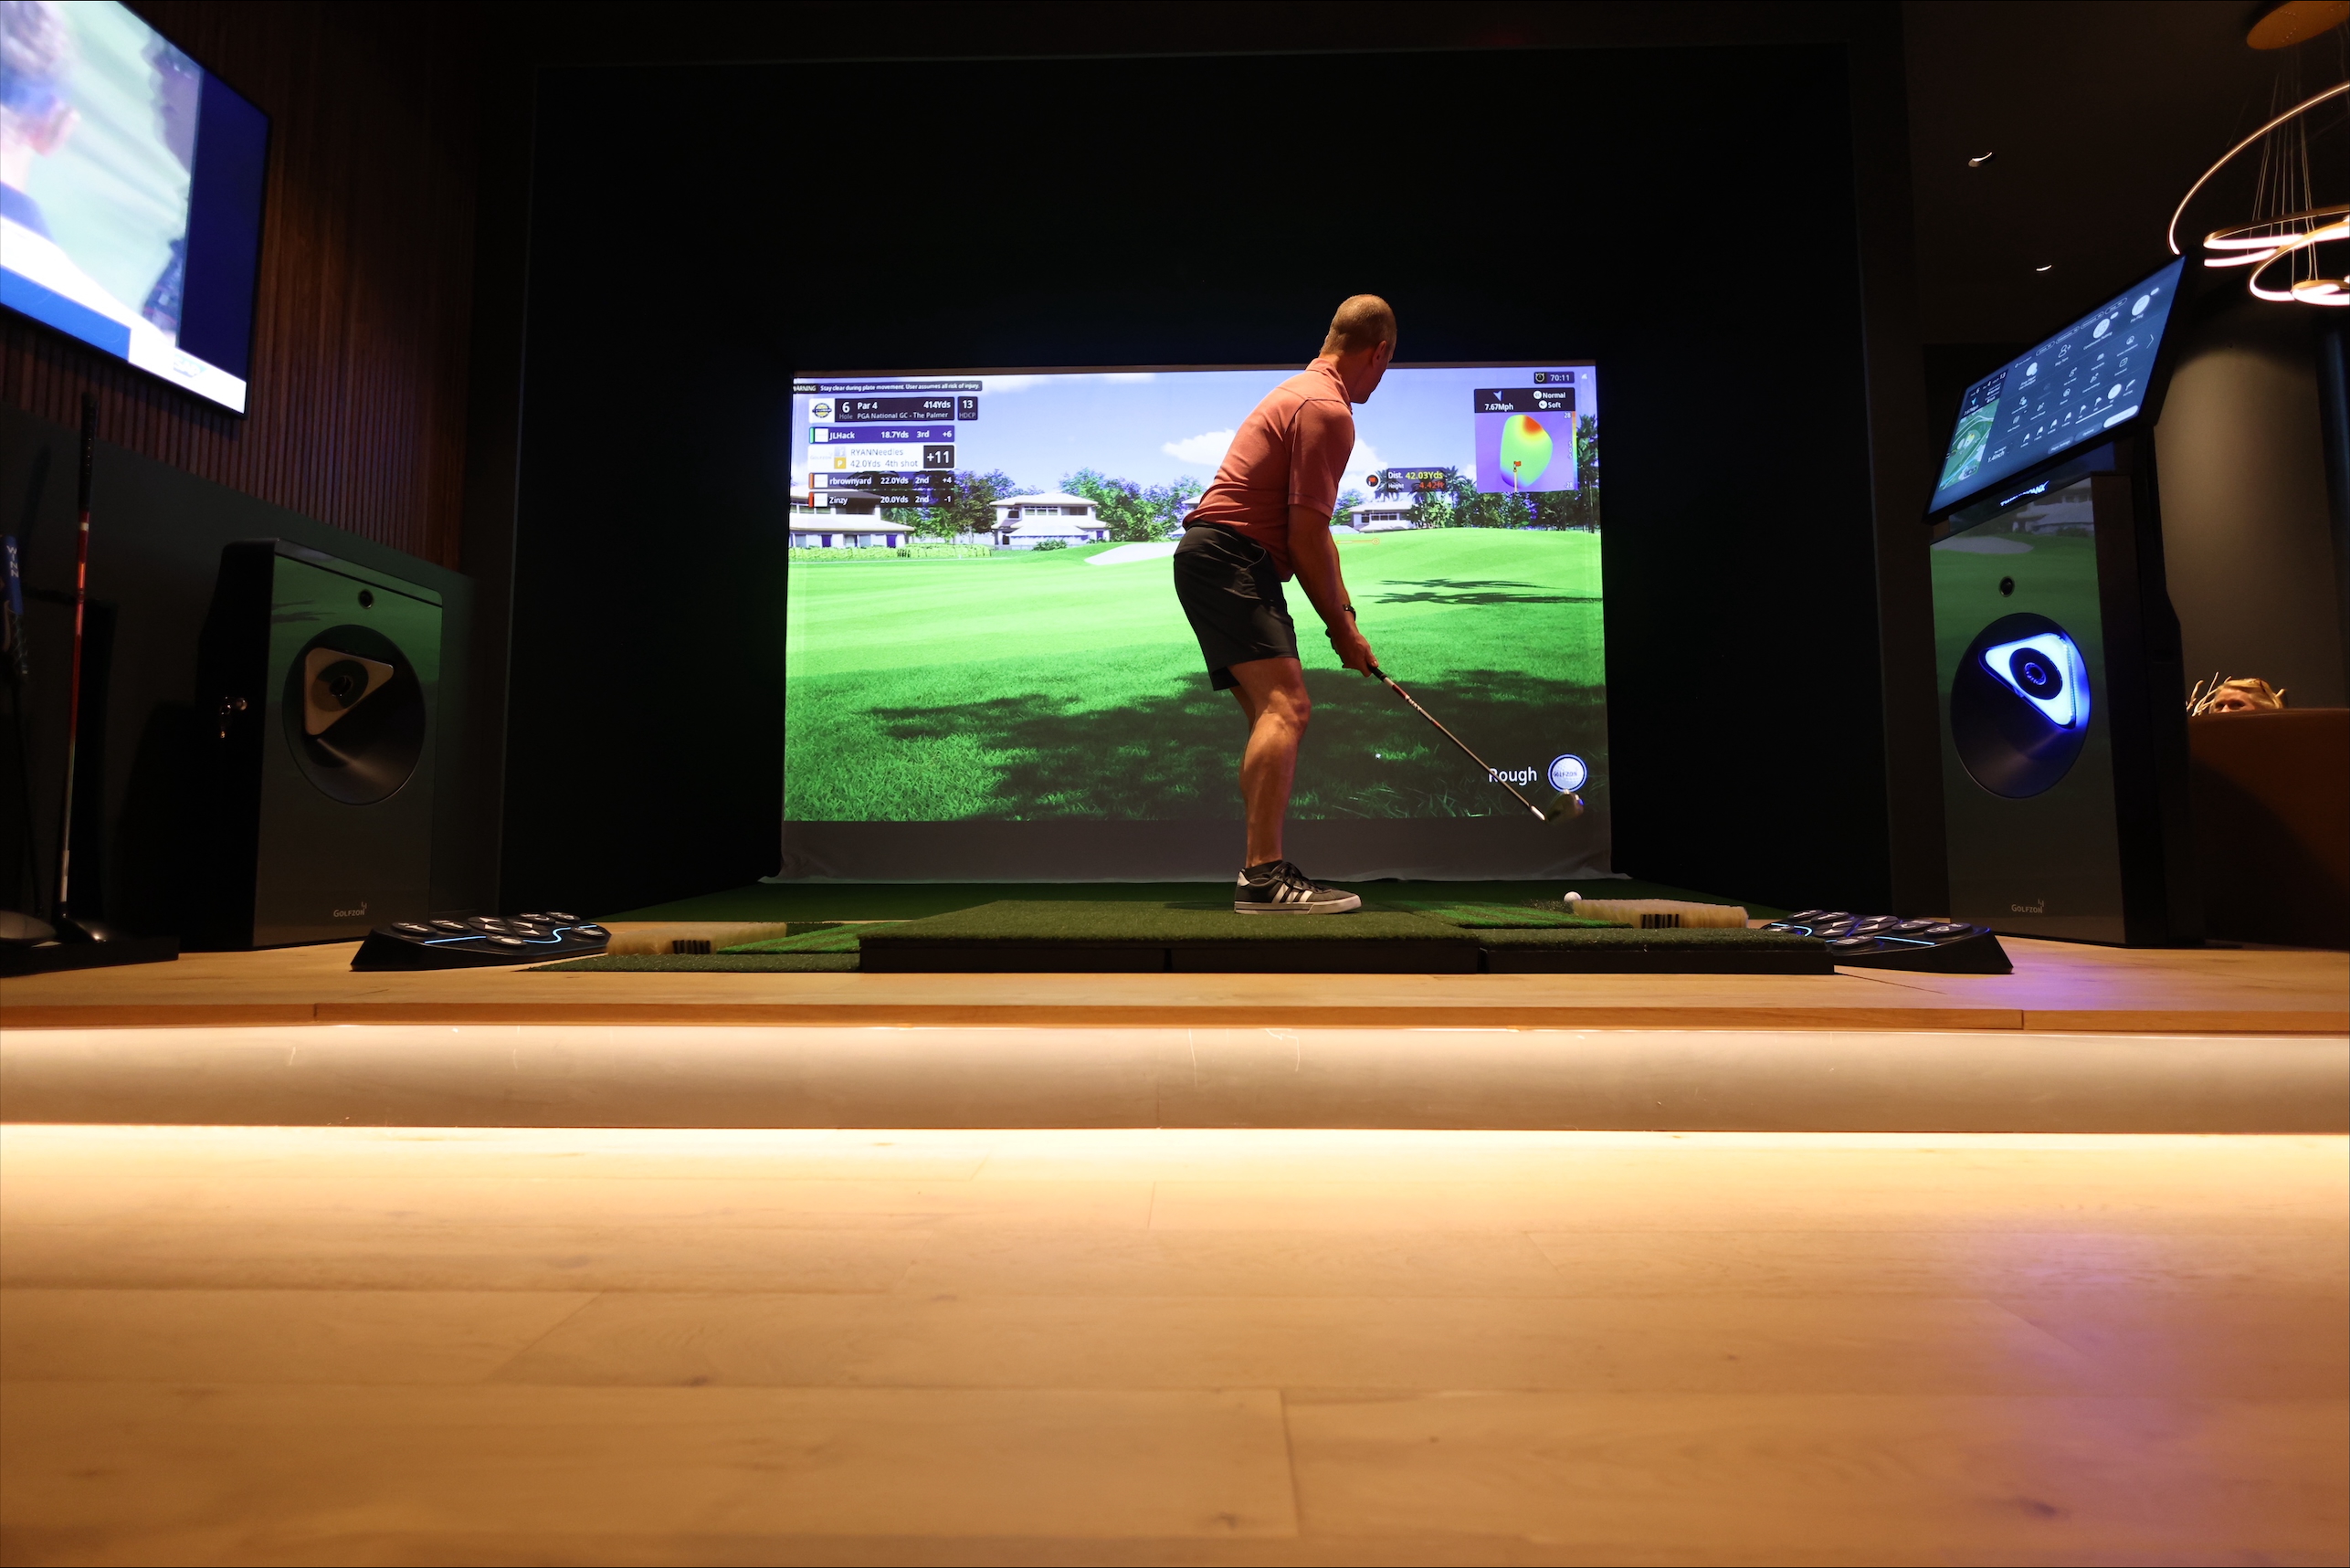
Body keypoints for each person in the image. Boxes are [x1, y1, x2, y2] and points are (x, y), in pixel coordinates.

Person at [1173, 294, 1394, 914]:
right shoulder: (1327, 408)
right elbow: (1307, 535)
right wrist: (1342, 629)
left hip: (1214, 556)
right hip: (1231, 557)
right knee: (1287, 707)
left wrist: (1342, 621)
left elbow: (1306, 537)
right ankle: (1264, 877)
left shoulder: (1302, 391)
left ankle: (1260, 869)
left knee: (1269, 715)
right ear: (1379, 353)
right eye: (1387, 365)